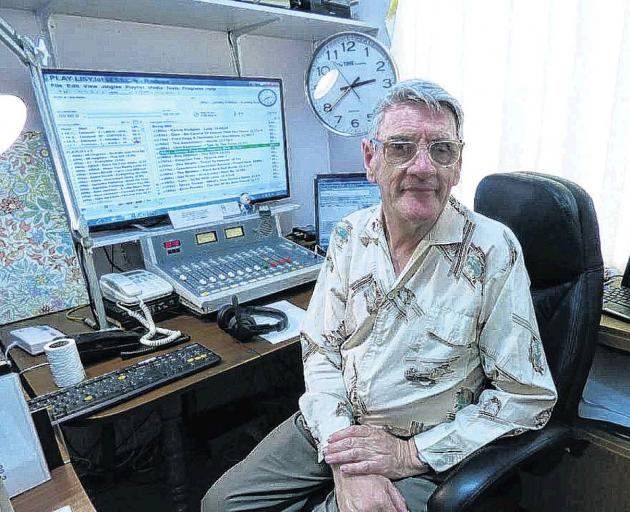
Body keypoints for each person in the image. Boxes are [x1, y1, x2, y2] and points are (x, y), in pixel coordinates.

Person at [202, 79, 558, 512]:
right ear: (371, 159)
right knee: (221, 505)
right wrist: (348, 458)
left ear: (458, 164)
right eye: (401, 147)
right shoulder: (350, 234)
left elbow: (527, 397)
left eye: (441, 150)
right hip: (338, 422)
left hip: (427, 445)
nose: (422, 166)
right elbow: (320, 352)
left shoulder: (492, 249)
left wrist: (405, 455)